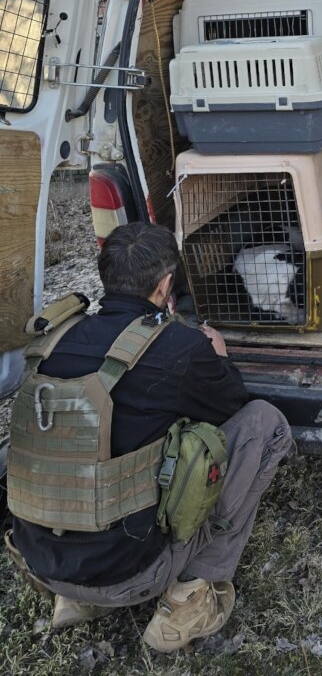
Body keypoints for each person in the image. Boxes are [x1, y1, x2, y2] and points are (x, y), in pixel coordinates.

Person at [5, 221, 293, 652]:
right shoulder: (180, 348)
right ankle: (191, 598)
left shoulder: (52, 340)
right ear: (165, 286)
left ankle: (75, 598)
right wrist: (216, 356)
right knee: (264, 424)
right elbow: (232, 404)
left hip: (42, 562)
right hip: (132, 575)